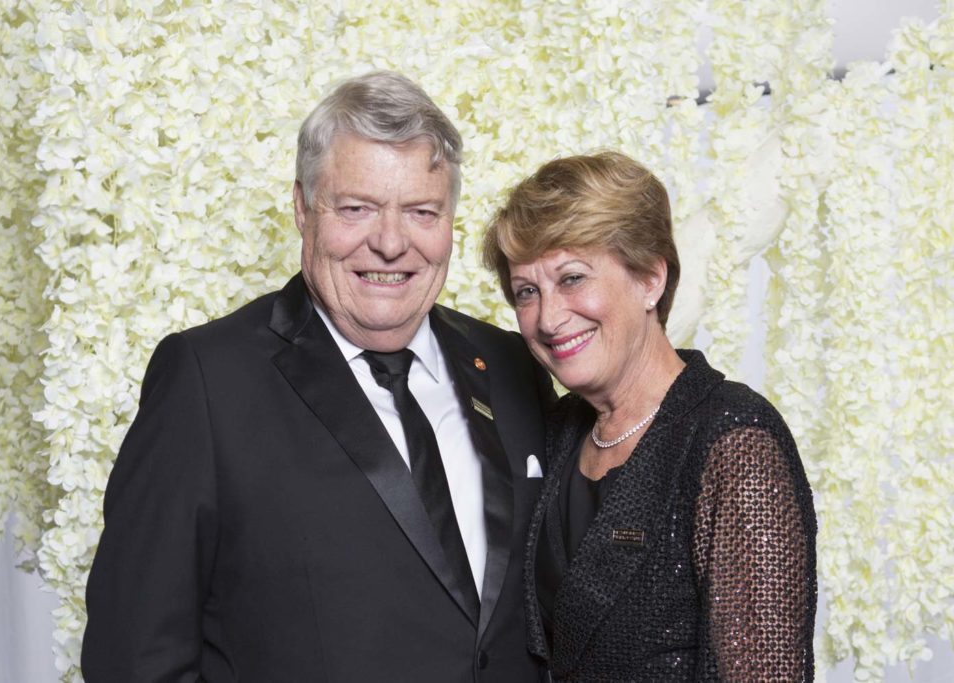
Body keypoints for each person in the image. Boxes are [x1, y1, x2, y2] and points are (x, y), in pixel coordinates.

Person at [81, 71, 555, 682]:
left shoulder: (515, 364)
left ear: (449, 223)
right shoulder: (206, 382)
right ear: (304, 209)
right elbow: (134, 660)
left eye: (421, 211)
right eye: (357, 208)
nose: (390, 243)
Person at [482, 151, 817, 681]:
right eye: (528, 291)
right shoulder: (559, 431)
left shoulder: (733, 439)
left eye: (572, 278)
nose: (548, 317)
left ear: (650, 280)